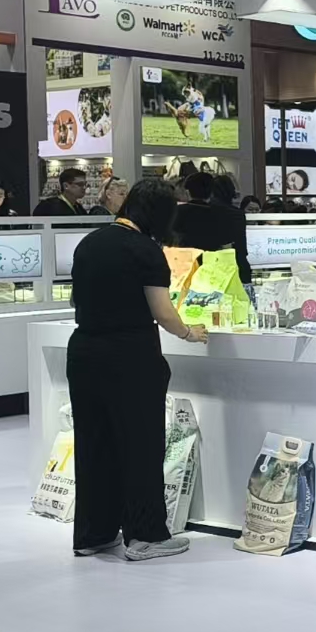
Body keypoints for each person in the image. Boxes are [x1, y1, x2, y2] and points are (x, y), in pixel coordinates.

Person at [67, 179, 207, 562]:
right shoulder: (145, 250)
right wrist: (189, 333)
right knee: (141, 445)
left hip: (84, 351)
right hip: (130, 355)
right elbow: (163, 312)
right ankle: (145, 535)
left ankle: (94, 533)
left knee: (94, 444)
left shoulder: (90, 243)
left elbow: (78, 299)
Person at [172, 171, 253, 284]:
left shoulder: (178, 213)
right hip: (227, 272)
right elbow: (240, 248)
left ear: (188, 192)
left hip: (191, 271)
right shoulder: (231, 214)